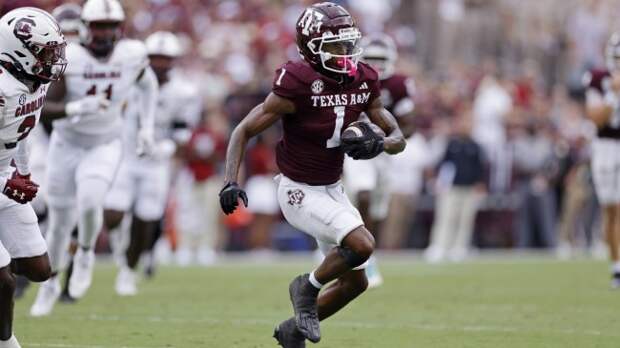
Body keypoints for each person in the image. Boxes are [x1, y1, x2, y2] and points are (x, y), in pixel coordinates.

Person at [219, 3, 406, 347]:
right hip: (298, 191)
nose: (345, 53)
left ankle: (292, 329)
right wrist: (231, 179)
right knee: (362, 243)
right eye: (334, 46)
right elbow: (242, 130)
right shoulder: (298, 81)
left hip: (332, 189)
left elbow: (397, 136)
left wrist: (381, 143)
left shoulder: (364, 78)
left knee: (356, 284)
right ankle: (306, 287)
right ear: (310, 48)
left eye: (347, 44)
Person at [30, 0, 157, 316]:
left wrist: (146, 128)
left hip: (104, 143)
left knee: (89, 201)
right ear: (86, 27)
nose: (103, 33)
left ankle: (85, 253)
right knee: (59, 224)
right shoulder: (69, 58)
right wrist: (75, 108)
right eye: (98, 25)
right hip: (66, 144)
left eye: (109, 26)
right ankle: (49, 285)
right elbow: (43, 109)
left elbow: (148, 84)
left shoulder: (132, 55)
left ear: (119, 28)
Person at [103, 31, 201, 295]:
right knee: (112, 214)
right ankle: (119, 242)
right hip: (125, 157)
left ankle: (128, 271)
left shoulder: (184, 91)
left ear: (173, 60)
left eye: (164, 58)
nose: (158, 63)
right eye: (154, 58)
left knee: (145, 221)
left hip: (156, 163)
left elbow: (183, 130)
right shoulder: (129, 82)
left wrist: (166, 148)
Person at [0, 7, 67, 348]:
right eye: (44, 51)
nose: (52, 58)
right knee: (3, 281)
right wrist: (7, 181)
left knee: (39, 269)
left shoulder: (33, 81)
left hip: (2, 179)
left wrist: (23, 173)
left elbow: (22, 134)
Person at [343, 33, 415, 286]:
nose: (375, 64)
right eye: (371, 58)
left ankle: (364, 250)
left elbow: (409, 126)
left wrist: (383, 138)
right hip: (357, 149)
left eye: (380, 59)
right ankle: (364, 257)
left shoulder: (399, 84)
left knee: (377, 207)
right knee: (363, 193)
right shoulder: (351, 78)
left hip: (383, 152)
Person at [583, 33, 620, 288]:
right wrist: (614, 96)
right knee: (611, 209)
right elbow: (597, 119)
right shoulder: (598, 79)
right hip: (606, 147)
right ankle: (616, 267)